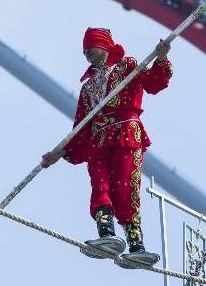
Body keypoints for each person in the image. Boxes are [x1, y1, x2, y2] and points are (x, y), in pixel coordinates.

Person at [41, 28, 173, 265]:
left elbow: (153, 84)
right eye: (84, 52)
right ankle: (107, 235)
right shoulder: (87, 87)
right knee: (99, 187)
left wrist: (161, 59)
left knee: (125, 189)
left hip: (125, 134)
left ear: (104, 46)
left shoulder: (128, 66)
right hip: (98, 142)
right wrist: (60, 152)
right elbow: (81, 126)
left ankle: (136, 245)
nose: (87, 55)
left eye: (90, 49)